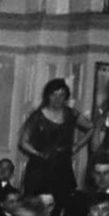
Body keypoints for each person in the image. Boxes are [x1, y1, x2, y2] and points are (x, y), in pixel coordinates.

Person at [18, 78, 96, 209]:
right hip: (40, 168)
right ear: (47, 96)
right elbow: (23, 142)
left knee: (61, 204)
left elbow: (91, 127)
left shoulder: (71, 114)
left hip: (62, 166)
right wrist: (38, 153)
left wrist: (77, 146)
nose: (57, 99)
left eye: (61, 95)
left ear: (66, 97)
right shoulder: (37, 116)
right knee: (36, 205)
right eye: (54, 94)